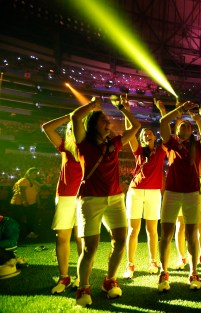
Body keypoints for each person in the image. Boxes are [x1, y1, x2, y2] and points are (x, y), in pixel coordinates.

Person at [71, 95, 141, 306]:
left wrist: (124, 109)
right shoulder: (83, 143)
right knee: (89, 248)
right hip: (90, 199)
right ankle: (83, 287)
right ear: (93, 124)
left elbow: (136, 126)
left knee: (121, 239)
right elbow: (75, 117)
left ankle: (109, 280)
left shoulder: (115, 143)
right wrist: (92, 105)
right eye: (103, 120)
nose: (108, 122)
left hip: (115, 198)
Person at [157, 101, 201, 292]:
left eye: (189, 125)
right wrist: (178, 111)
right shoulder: (171, 142)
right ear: (177, 131)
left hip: (192, 193)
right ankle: (163, 272)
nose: (186, 126)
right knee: (166, 234)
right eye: (182, 125)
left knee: (191, 234)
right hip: (171, 192)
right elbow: (164, 122)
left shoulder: (196, 145)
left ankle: (194, 272)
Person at [122, 98, 167, 279]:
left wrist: (163, 110)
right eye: (144, 134)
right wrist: (126, 110)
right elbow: (129, 132)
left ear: (154, 137)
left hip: (154, 192)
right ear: (141, 139)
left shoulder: (161, 150)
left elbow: (166, 131)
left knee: (152, 230)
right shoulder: (138, 151)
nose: (147, 135)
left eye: (149, 133)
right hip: (136, 191)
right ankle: (130, 264)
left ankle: (153, 261)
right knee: (133, 230)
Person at [42, 114, 83, 294]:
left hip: (84, 196)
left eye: (77, 127)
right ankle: (64, 276)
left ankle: (82, 276)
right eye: (71, 128)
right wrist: (70, 116)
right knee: (62, 237)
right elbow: (47, 127)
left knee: (82, 238)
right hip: (65, 195)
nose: (73, 130)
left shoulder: (89, 148)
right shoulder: (64, 147)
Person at [10, 167, 42, 240]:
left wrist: (38, 202)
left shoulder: (33, 182)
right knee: (20, 220)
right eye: (34, 173)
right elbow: (22, 192)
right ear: (29, 173)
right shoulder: (24, 180)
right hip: (19, 203)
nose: (35, 175)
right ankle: (19, 235)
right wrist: (24, 201)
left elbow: (36, 193)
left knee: (30, 218)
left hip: (30, 203)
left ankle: (29, 234)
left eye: (36, 173)